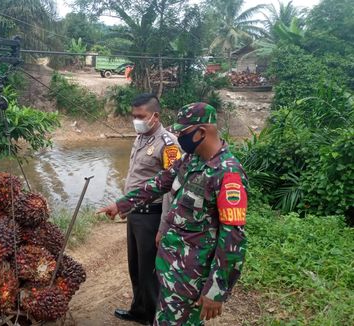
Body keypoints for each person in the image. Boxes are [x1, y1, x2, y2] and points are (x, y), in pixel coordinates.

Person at [99, 103, 248, 325]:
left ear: (201, 132)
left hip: (191, 275)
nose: (178, 137)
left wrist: (216, 291)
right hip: (170, 265)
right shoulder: (191, 159)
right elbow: (160, 183)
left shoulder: (227, 173)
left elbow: (233, 238)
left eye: (183, 133)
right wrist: (122, 205)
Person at [114, 93, 181, 325]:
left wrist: (164, 227)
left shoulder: (168, 144)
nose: (136, 120)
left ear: (155, 116)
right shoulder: (141, 137)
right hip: (134, 214)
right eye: (134, 116)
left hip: (151, 217)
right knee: (136, 267)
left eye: (140, 116)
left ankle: (153, 317)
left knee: (150, 271)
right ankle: (139, 309)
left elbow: (170, 189)